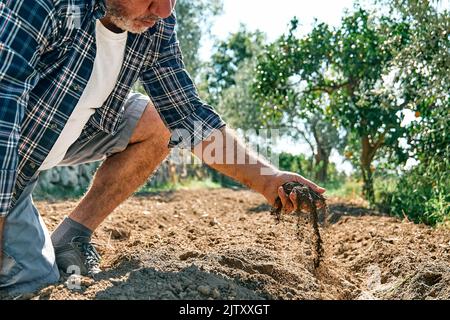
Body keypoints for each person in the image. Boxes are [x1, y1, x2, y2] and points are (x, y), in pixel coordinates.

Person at [0, 0, 325, 295]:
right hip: (11, 159)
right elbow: (3, 117)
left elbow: (187, 116)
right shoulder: (43, 5)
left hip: (59, 128)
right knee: (31, 282)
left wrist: (267, 179)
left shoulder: (153, 26)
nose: (165, 10)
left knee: (160, 125)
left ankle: (72, 237)